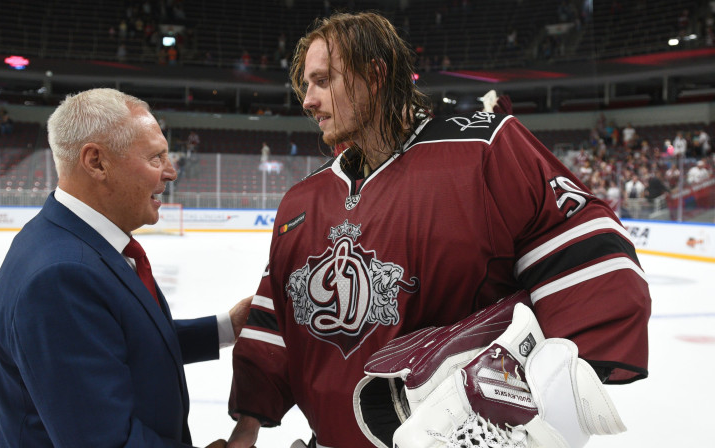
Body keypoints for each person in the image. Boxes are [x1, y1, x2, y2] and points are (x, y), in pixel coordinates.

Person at [226, 11, 650, 448]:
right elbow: (276, 316)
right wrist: (248, 427)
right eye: (306, 85)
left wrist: (557, 395)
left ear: (374, 74)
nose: (308, 100)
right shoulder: (301, 201)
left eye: (323, 80)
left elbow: (586, 248)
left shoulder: (483, 151)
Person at [0, 88, 250, 448]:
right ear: (96, 162)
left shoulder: (68, 240)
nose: (171, 173)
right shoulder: (61, 277)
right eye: (156, 158)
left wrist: (226, 327)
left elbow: (121, 340)